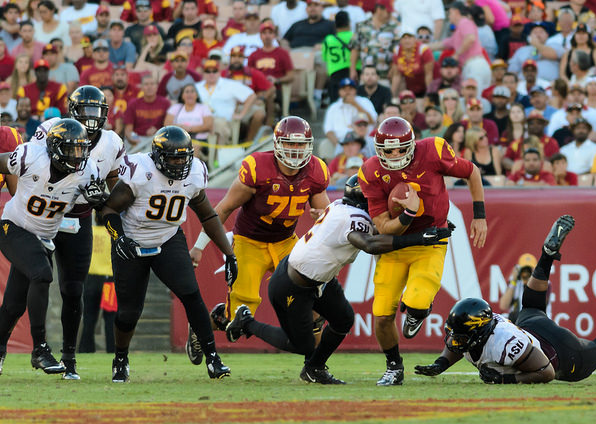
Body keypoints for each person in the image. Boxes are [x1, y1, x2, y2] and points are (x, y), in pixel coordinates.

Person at [224, 175, 453, 384]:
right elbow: (370, 244)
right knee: (302, 344)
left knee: (343, 319)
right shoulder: (354, 217)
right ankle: (247, 322)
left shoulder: (341, 206)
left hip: (317, 279)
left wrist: (430, 225)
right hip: (293, 283)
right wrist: (419, 238)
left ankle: (314, 368)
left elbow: (380, 229)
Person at [417, 215, 596, 384]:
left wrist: (506, 378)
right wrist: (440, 364)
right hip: (530, 325)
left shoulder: (503, 343)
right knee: (532, 305)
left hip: (560, 352)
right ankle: (546, 255)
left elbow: (547, 371)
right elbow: (463, 342)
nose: (454, 340)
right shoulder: (479, 330)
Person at [101, 126, 237, 383]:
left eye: (183, 157)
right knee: (129, 312)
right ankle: (120, 358)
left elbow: (208, 215)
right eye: (173, 158)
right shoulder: (142, 170)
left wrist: (229, 254)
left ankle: (212, 358)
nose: (179, 163)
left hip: (168, 238)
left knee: (191, 294)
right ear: (158, 156)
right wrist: (119, 239)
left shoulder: (194, 172)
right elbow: (107, 210)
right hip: (133, 240)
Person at [358, 116, 487, 386]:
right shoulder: (370, 171)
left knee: (416, 301)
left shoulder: (433, 151)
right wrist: (407, 214)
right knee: (381, 315)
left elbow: (471, 171)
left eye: (400, 149)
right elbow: (382, 225)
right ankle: (394, 366)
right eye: (388, 150)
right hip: (396, 249)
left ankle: (419, 310)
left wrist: (479, 215)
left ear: (412, 144)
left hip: (431, 243)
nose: (394, 155)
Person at [188, 117, 330, 351]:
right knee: (238, 318)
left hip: (286, 243)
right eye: (290, 144)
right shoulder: (257, 168)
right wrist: (199, 246)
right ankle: (203, 324)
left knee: (315, 296)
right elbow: (222, 209)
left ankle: (315, 364)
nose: (295, 151)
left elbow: (326, 213)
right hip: (249, 243)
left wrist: (322, 217)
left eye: (300, 145)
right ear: (277, 144)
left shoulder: (315, 170)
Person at [28, 86, 125, 379]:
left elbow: (115, 184)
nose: (92, 119)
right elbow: (32, 168)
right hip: (44, 211)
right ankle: (25, 349)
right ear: (72, 111)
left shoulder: (111, 143)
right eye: (86, 111)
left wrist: (103, 198)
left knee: (73, 289)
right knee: (30, 282)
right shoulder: (49, 129)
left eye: (97, 112)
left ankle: (69, 357)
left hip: (78, 217)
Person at [0, 119, 102, 377]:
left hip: (44, 237)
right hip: (13, 227)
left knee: (13, 305)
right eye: (72, 149)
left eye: (81, 149)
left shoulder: (86, 170)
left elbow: (100, 200)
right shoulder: (30, 155)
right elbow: (3, 162)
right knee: (43, 274)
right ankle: (40, 350)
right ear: (55, 148)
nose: (78, 156)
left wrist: (99, 198)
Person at [428, 2, 491, 92]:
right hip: (474, 66)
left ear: (456, 12)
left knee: (473, 100)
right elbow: (442, 44)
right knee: (475, 100)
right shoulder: (458, 30)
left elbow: (470, 38)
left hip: (474, 65)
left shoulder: (464, 22)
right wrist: (422, 47)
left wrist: (456, 55)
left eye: (450, 13)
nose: (448, 16)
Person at [78, 213, 116, 354]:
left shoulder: (90, 232)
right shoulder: (112, 234)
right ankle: (112, 350)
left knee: (89, 317)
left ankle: (86, 350)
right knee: (110, 318)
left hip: (91, 278)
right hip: (109, 281)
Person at [349, 0, 399, 82]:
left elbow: (397, 51)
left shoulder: (394, 28)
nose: (390, 15)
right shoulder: (362, 26)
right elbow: (355, 48)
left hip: (385, 75)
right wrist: (352, 69)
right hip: (366, 75)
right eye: (388, 12)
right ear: (379, 10)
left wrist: (394, 68)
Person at [164, 83, 213, 159]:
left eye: (192, 91)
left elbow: (208, 125)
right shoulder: (176, 108)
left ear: (196, 95)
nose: (190, 94)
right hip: (178, 139)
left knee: (193, 146)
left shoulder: (203, 108)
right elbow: (167, 124)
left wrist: (190, 128)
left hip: (200, 140)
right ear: (182, 96)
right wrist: (181, 128)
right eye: (187, 92)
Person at [124, 75, 171, 147]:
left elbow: (168, 128)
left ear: (157, 86)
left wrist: (157, 130)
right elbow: (128, 130)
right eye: (146, 84)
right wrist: (132, 139)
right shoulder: (133, 103)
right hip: (138, 139)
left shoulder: (165, 103)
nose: (149, 87)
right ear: (141, 87)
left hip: (157, 138)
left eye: (152, 84)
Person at [323, 11, 356, 104]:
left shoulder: (328, 39)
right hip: (353, 72)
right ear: (349, 23)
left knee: (336, 103)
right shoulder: (354, 36)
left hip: (335, 73)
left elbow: (324, 57)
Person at [391, 32, 434, 98]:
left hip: (424, 86)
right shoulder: (397, 51)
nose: (407, 40)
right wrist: (391, 95)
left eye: (410, 37)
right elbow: (396, 76)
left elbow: (428, 74)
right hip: (409, 86)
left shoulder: (423, 50)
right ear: (400, 40)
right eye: (404, 38)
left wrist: (429, 95)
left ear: (415, 38)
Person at [499, 253, 537, 322]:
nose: (526, 273)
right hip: (517, 323)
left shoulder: (542, 283)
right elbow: (503, 306)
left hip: (534, 321)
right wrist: (513, 280)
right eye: (524, 270)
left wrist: (533, 280)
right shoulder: (515, 282)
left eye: (529, 270)